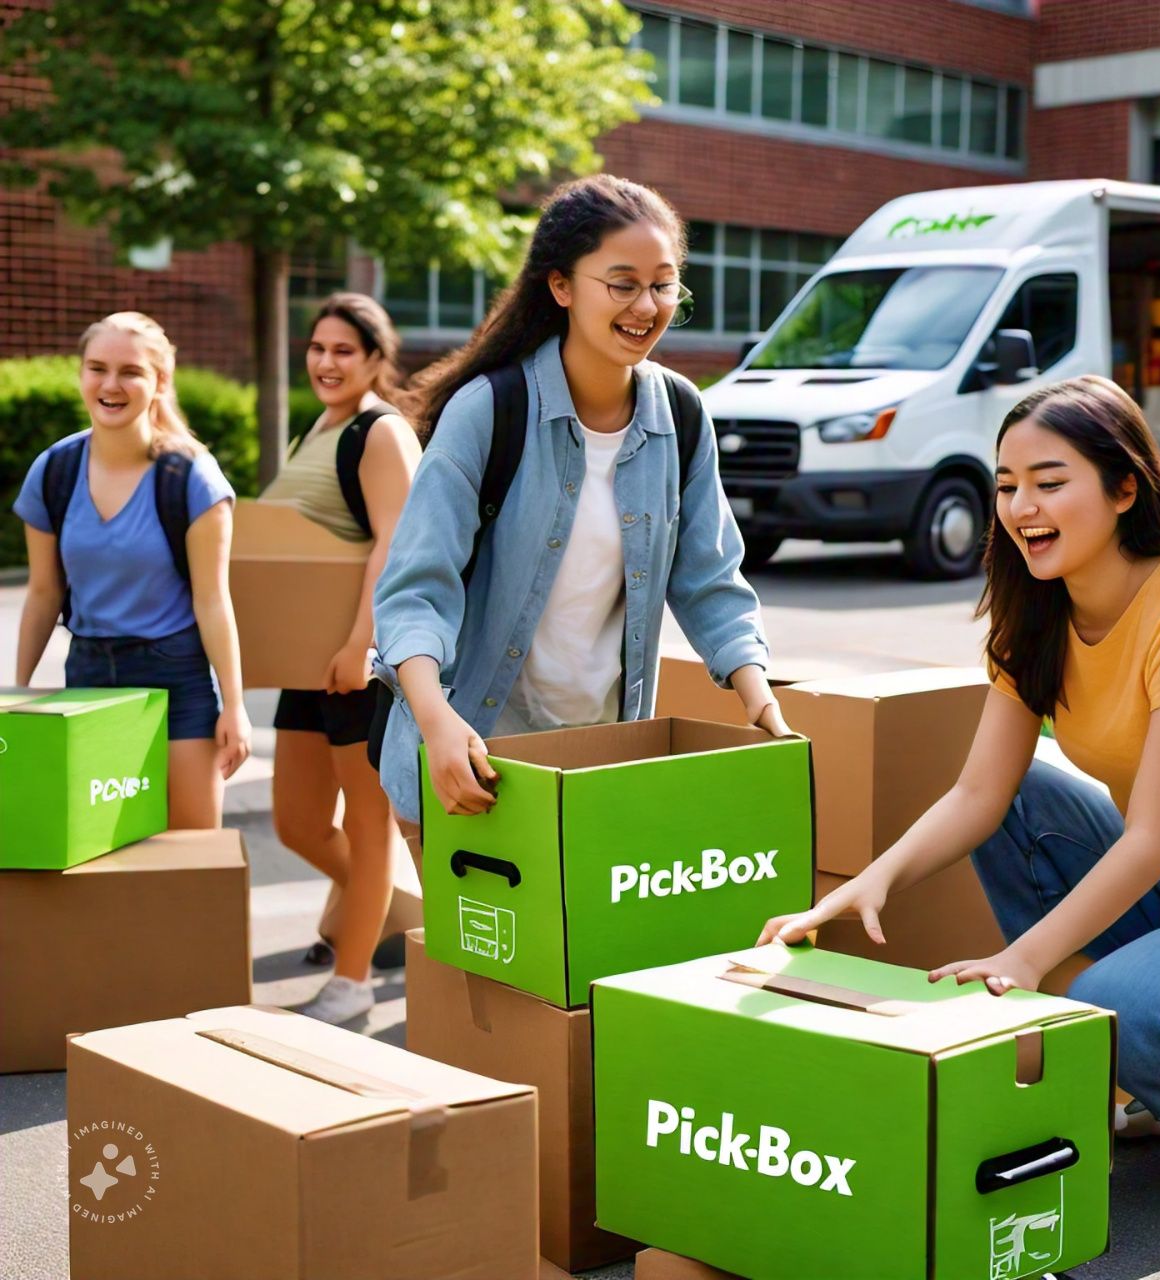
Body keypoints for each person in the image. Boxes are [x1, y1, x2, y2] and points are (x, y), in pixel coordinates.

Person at [759, 376, 1160, 1196]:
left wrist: (1024, 960)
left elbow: (1147, 839)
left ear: (1123, 489)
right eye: (1006, 485)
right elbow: (978, 795)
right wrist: (862, 889)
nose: (1020, 506)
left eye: (1049, 481)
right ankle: (1157, 1063)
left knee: (1121, 1004)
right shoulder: (1034, 614)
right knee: (1025, 798)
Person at [373, 173, 788, 838]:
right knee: (481, 947)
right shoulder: (490, 411)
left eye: (662, 284)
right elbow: (416, 593)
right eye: (622, 283)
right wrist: (435, 723)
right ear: (561, 286)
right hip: (473, 762)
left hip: (602, 764)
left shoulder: (680, 415)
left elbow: (709, 577)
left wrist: (759, 698)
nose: (646, 305)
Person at [13, 311, 251, 826]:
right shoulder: (53, 471)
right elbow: (43, 592)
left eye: (130, 372)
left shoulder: (191, 477)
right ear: (81, 375)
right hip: (88, 676)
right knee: (95, 851)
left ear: (159, 382)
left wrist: (235, 704)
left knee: (188, 853)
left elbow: (213, 600)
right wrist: (20, 690)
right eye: (97, 368)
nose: (110, 385)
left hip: (177, 678)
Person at [261, 293, 422, 1024]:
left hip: (360, 662)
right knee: (295, 821)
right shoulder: (317, 429)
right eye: (318, 348)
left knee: (365, 824)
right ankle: (397, 906)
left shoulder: (380, 432)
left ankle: (352, 982)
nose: (326, 362)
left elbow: (394, 545)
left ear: (376, 360)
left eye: (344, 351)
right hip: (306, 661)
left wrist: (362, 642)